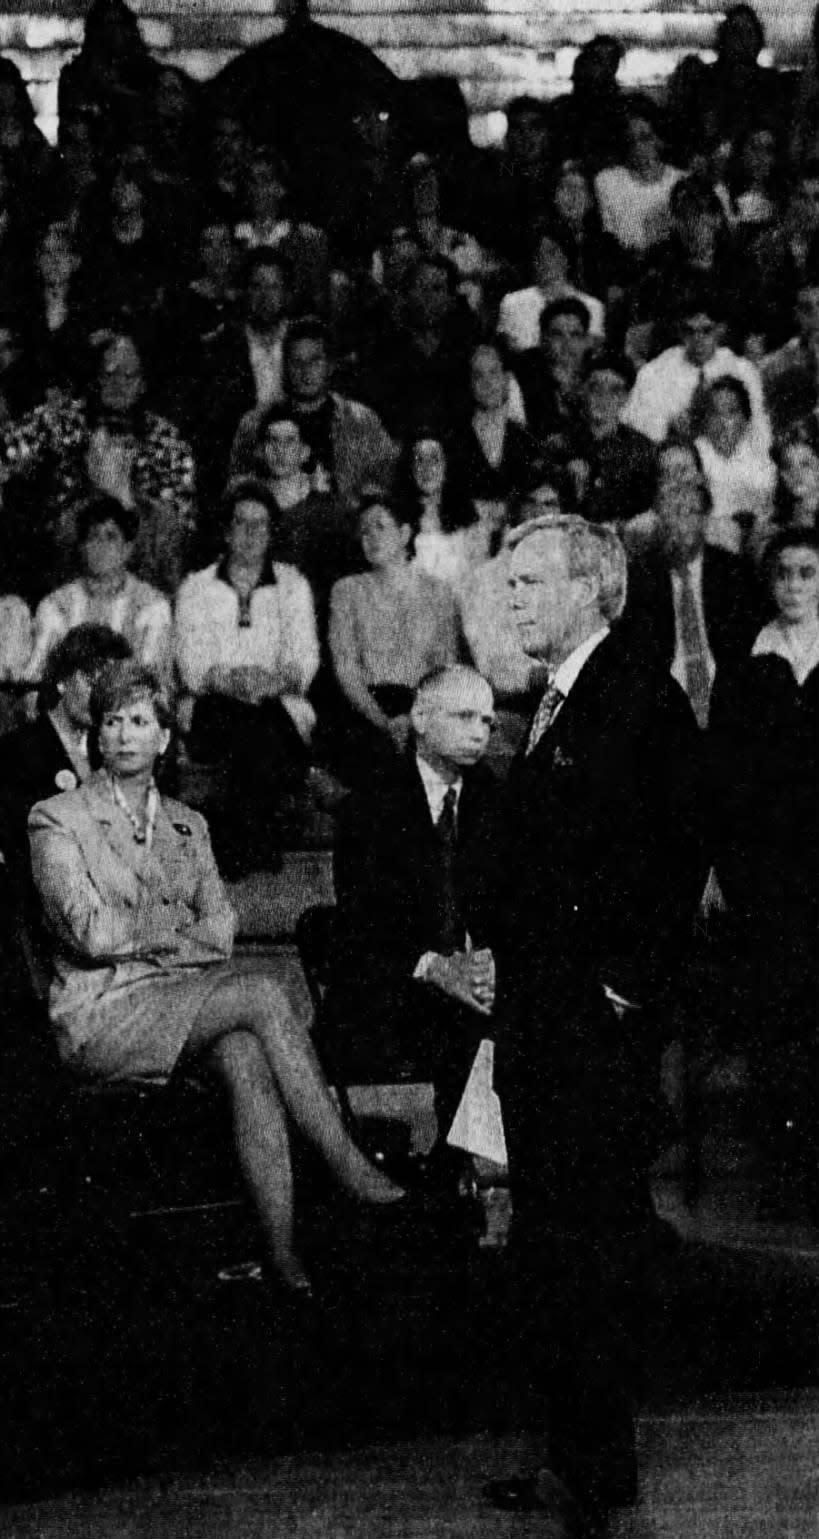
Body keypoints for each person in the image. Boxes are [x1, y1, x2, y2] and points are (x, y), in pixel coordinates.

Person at [28, 659, 403, 1296]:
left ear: (164, 737)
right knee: (261, 991)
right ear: (96, 735)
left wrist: (150, 937)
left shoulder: (188, 823)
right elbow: (91, 934)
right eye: (111, 721)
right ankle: (351, 1173)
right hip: (100, 1014)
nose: (122, 735)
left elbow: (221, 929)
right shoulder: (56, 818)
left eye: (139, 721)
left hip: (176, 1000)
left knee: (245, 1051)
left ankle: (282, 1256)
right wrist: (175, 932)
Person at [486, 514, 705, 1532]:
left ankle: (597, 1473)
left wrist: (625, 984)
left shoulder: (635, 694)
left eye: (530, 580)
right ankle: (577, 1463)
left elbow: (680, 841)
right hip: (545, 1022)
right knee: (555, 1246)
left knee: (587, 1246)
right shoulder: (563, 698)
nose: (513, 595)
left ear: (589, 590)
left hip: (587, 1029)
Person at [328, 664, 503, 1148]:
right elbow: (363, 928)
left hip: (478, 985)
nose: (478, 732)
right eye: (465, 716)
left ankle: (489, 1180)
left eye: (487, 722)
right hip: (396, 986)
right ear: (421, 718)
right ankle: (471, 1177)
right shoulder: (369, 806)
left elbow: (513, 909)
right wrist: (436, 968)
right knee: (465, 1022)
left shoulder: (500, 801)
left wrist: (485, 965)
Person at [709, 530, 819, 1215]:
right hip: (769, 872)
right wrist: (722, 868)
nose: (795, 586)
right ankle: (786, 1174)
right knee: (778, 1017)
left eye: (809, 573)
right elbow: (724, 777)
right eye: (783, 573)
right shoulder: (749, 662)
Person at [174, 482, 320, 879]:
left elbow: (304, 659)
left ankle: (237, 849)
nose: (251, 533)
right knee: (249, 727)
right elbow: (191, 665)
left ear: (273, 533)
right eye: (241, 523)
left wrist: (267, 682)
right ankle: (258, 846)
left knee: (261, 727)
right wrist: (234, 681)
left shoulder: (293, 585)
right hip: (212, 704)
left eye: (261, 525)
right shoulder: (196, 587)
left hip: (277, 704)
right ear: (225, 530)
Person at [0, 326, 196, 599]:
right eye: (110, 373)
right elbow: (7, 450)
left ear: (143, 384)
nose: (119, 384)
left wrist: (121, 497)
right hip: (65, 569)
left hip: (142, 574)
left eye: (129, 376)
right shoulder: (61, 421)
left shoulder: (167, 441)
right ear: (96, 378)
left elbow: (178, 532)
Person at [621, 441, 763, 727]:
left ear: (704, 519)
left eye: (690, 513)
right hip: (663, 711)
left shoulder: (734, 574)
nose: (680, 523)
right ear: (658, 517)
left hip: (729, 704)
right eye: (671, 512)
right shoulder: (639, 579)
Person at [327, 496, 461, 784]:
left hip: (422, 707)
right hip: (366, 708)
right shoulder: (347, 591)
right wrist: (385, 722)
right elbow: (346, 670)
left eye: (380, 527)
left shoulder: (438, 592)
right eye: (364, 531)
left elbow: (444, 670)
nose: (371, 537)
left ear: (404, 533)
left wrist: (415, 719)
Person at [233, 316, 399, 513]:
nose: (306, 371)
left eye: (314, 361)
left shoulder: (361, 421)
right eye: (297, 362)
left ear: (330, 365)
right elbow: (237, 485)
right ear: (285, 366)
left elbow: (386, 481)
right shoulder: (255, 423)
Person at [24, 495, 172, 686]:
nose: (101, 546)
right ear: (82, 547)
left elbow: (151, 677)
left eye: (111, 537)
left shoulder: (152, 605)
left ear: (127, 549)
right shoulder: (56, 605)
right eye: (93, 536)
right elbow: (36, 674)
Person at [621, 287, 771, 454]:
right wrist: (668, 426)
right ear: (680, 332)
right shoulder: (656, 370)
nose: (698, 339)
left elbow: (759, 426)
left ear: (720, 330)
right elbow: (633, 423)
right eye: (690, 331)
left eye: (706, 331)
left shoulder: (743, 370)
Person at [694, 376, 776, 556]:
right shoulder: (694, 454)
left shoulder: (762, 460)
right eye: (716, 413)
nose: (724, 422)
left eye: (732, 412)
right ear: (704, 418)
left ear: (745, 419)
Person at [594, 105, 683, 261]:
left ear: (659, 140)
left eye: (644, 137)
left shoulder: (681, 181)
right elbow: (610, 240)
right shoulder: (607, 181)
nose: (637, 146)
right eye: (631, 139)